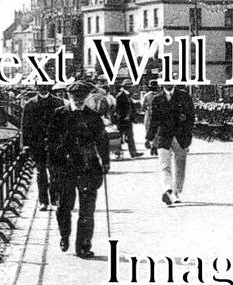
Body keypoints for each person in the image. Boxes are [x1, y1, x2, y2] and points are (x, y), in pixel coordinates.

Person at [45, 80, 111, 258]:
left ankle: (83, 246)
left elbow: (102, 140)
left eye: (82, 98)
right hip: (64, 168)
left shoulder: (93, 116)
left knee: (87, 211)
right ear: (69, 97)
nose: (79, 101)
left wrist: (105, 161)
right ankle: (64, 235)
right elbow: (50, 142)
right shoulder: (59, 115)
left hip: (88, 168)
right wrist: (52, 167)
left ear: (87, 97)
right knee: (64, 207)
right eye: (76, 98)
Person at [145, 82, 195, 206]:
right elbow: (154, 120)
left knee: (180, 167)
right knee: (164, 166)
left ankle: (177, 191)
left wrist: (188, 136)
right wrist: (149, 138)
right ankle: (168, 190)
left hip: (180, 137)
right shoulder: (157, 99)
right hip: (163, 137)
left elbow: (191, 118)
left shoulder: (184, 96)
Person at [22, 83, 62, 211]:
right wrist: (25, 144)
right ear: (37, 88)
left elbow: (64, 124)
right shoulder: (30, 104)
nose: (43, 88)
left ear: (49, 87)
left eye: (45, 86)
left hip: (54, 144)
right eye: (40, 86)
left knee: (54, 173)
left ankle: (55, 200)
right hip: (37, 144)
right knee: (41, 173)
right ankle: (43, 201)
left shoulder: (58, 102)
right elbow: (25, 126)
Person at [113, 80, 143, 159]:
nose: (131, 88)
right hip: (122, 120)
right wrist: (123, 116)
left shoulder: (127, 95)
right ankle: (118, 153)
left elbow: (131, 107)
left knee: (130, 136)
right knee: (119, 137)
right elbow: (118, 108)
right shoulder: (121, 95)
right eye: (130, 87)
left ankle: (133, 152)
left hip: (128, 120)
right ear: (127, 87)